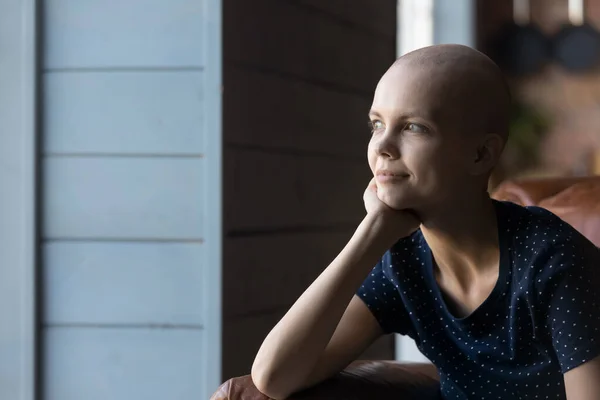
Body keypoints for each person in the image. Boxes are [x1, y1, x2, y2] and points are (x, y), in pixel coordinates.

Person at [250, 44, 600, 400]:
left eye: (414, 127)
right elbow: (273, 377)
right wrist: (370, 235)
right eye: (377, 124)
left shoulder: (553, 261)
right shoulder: (404, 262)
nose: (382, 146)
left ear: (480, 154)